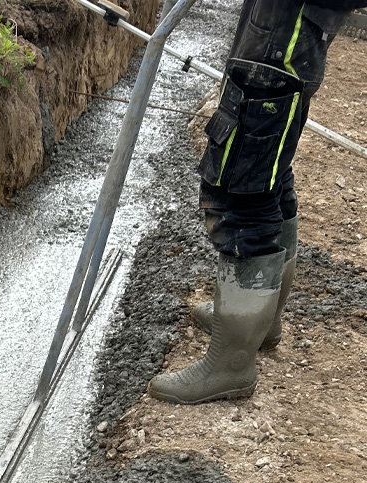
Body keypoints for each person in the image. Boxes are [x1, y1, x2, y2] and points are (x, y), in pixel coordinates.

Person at [148, 0, 365, 405]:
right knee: (270, 178)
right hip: (281, 41)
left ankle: (231, 362)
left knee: (241, 194)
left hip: (279, 49)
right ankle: (260, 322)